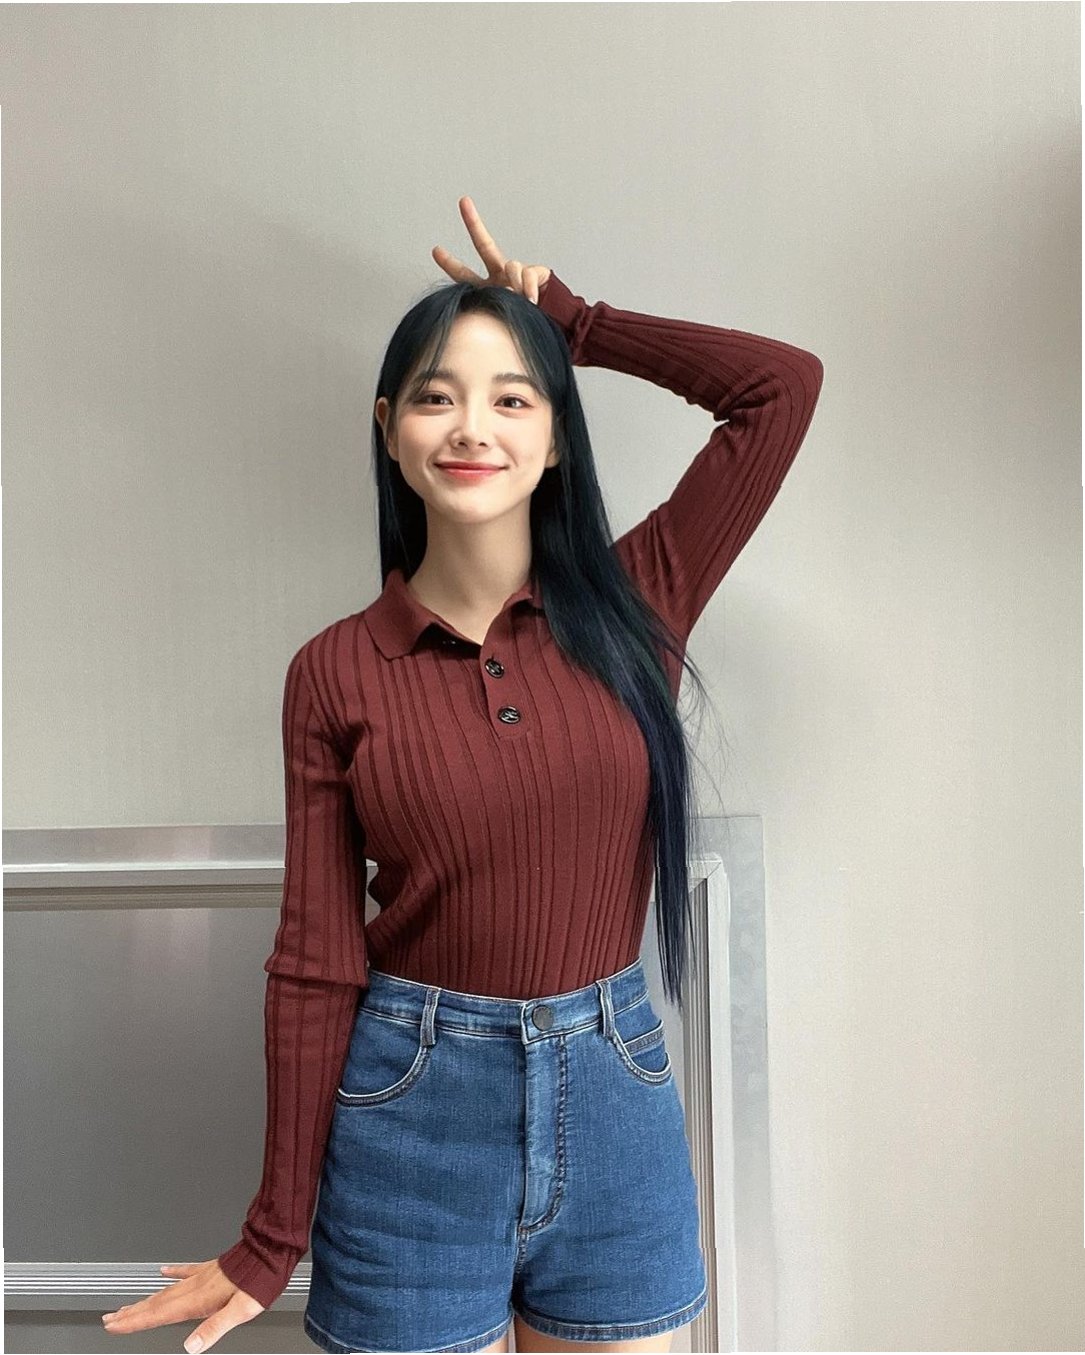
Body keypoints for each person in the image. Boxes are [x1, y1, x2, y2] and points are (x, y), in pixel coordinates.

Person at [101, 195, 824, 1354]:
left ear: (556, 436)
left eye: (511, 397)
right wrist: (271, 1233)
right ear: (389, 428)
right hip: (411, 1120)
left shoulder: (639, 600)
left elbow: (779, 388)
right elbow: (315, 961)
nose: (470, 426)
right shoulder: (335, 671)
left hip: (617, 1105)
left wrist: (574, 320)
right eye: (436, 396)